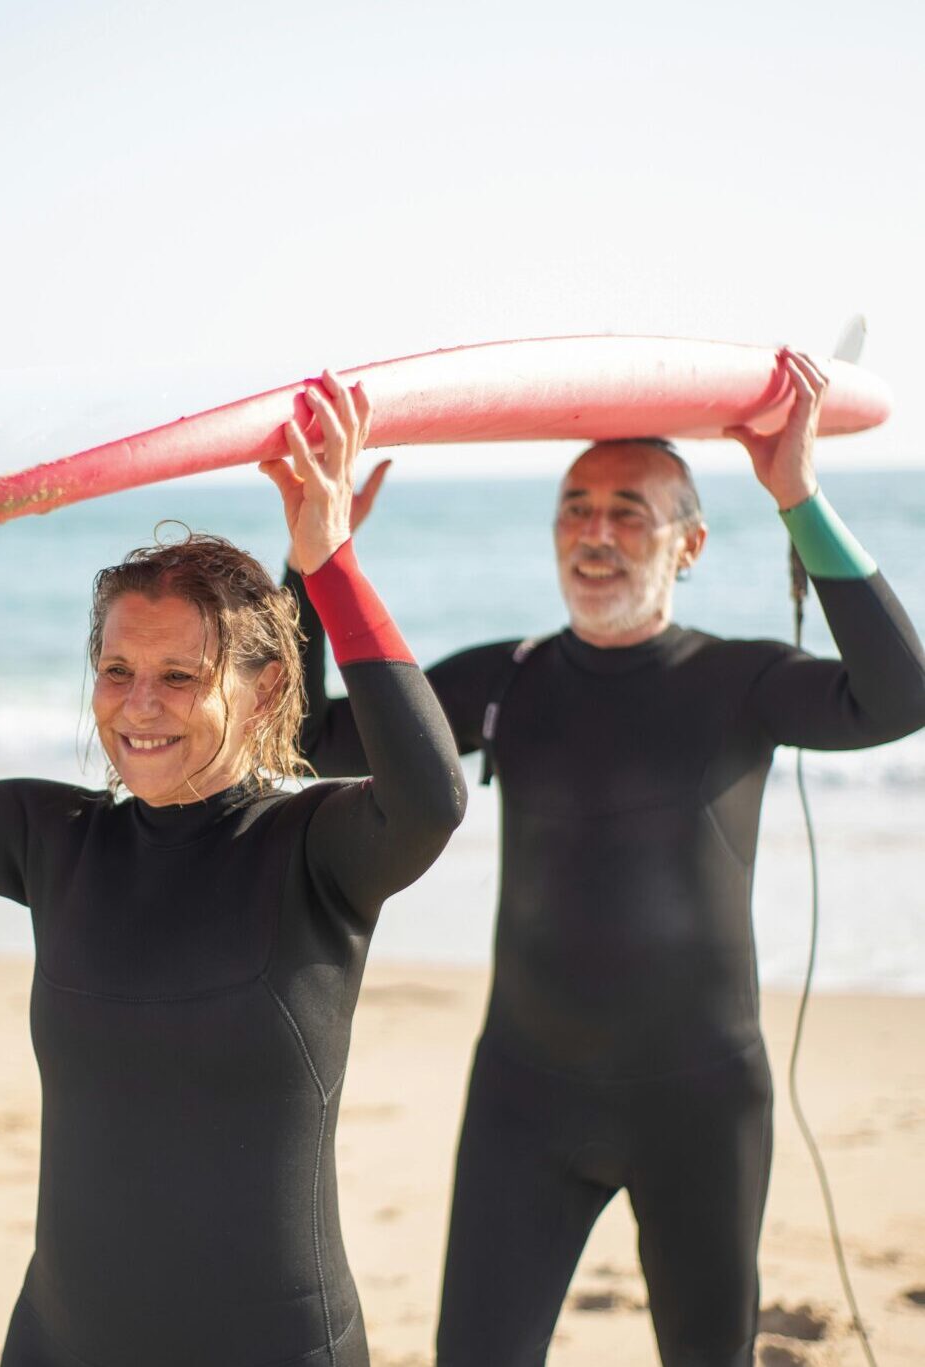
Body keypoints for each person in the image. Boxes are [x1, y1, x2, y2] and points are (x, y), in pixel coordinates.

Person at [0, 372, 466, 1367]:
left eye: (179, 675)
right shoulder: (54, 839)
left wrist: (328, 561)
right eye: (115, 670)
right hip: (61, 1342)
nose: (138, 706)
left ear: (264, 690)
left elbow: (431, 794)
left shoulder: (313, 849)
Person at [284, 350, 925, 1367]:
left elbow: (898, 694)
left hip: (702, 1104)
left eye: (628, 510)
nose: (593, 532)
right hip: (524, 1099)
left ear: (689, 543)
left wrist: (795, 491)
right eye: (574, 508)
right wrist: (317, 562)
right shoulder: (507, 678)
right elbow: (307, 739)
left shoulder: (740, 678)